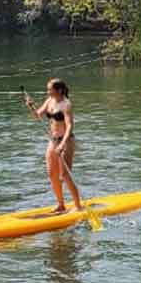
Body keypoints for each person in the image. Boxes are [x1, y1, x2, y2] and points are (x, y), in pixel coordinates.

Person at [26, 78, 84, 214]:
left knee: (64, 175)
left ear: (59, 90)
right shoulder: (49, 101)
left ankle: (78, 206)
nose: (47, 91)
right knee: (51, 173)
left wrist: (63, 144)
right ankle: (60, 204)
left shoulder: (66, 104)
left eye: (50, 89)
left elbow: (69, 126)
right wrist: (30, 106)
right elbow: (36, 116)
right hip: (53, 141)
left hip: (66, 141)